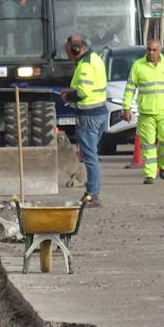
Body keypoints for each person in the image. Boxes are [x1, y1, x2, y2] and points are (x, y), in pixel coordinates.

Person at [121, 39, 164, 184]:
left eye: (154, 50)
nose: (151, 52)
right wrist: (126, 107)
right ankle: (149, 174)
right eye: (149, 49)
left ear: (160, 50)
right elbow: (130, 88)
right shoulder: (138, 66)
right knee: (148, 144)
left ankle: (162, 166)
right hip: (146, 112)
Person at [59, 34, 108, 207]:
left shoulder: (86, 66)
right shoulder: (95, 58)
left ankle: (93, 194)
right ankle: (92, 191)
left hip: (89, 114)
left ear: (76, 50)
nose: (67, 56)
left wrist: (67, 95)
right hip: (100, 111)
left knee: (89, 157)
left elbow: (82, 92)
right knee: (92, 154)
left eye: (68, 52)